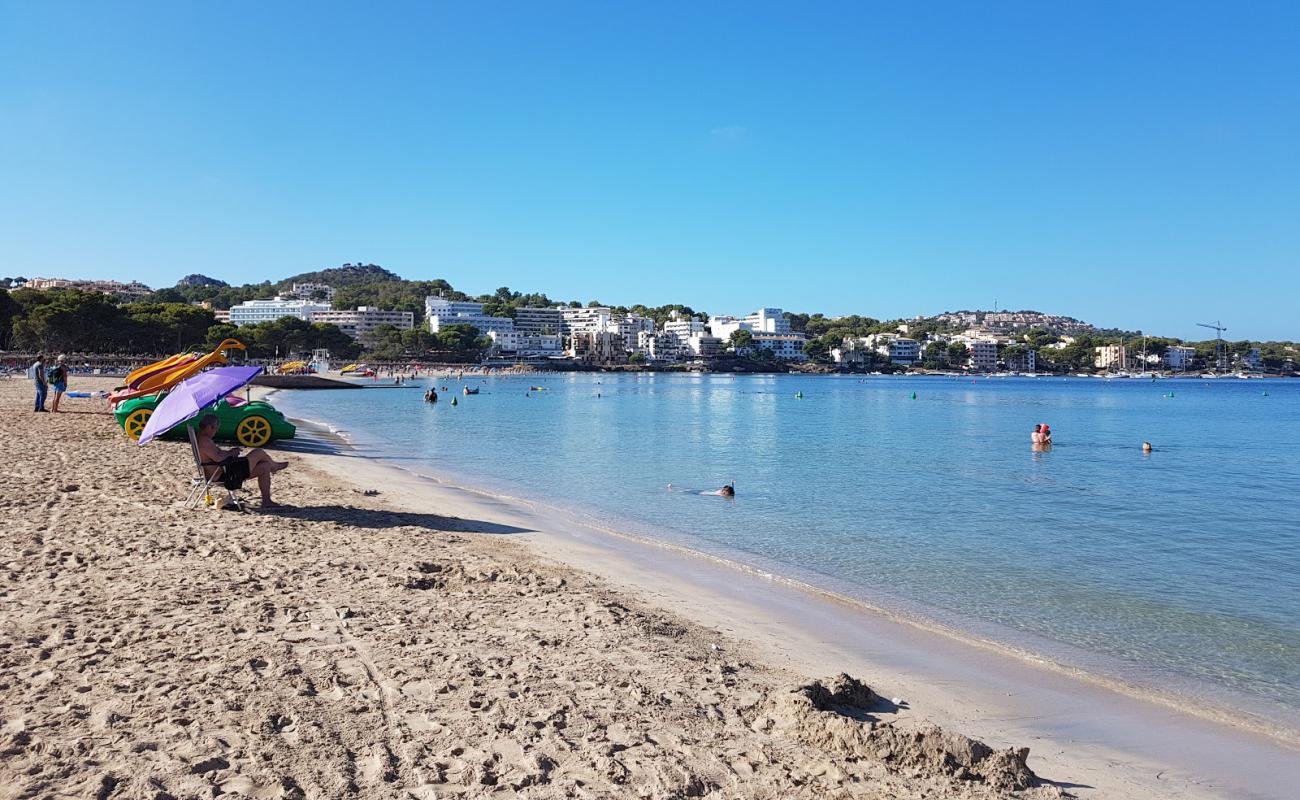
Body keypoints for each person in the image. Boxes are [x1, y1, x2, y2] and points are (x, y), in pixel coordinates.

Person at [194, 413, 289, 508]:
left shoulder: (201, 438)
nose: (216, 431)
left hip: (224, 471)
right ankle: (275, 467)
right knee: (258, 452)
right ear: (210, 427)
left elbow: (217, 455)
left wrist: (230, 452)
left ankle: (266, 501)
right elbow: (219, 458)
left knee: (265, 466)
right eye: (216, 429)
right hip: (225, 475)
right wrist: (232, 454)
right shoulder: (204, 441)